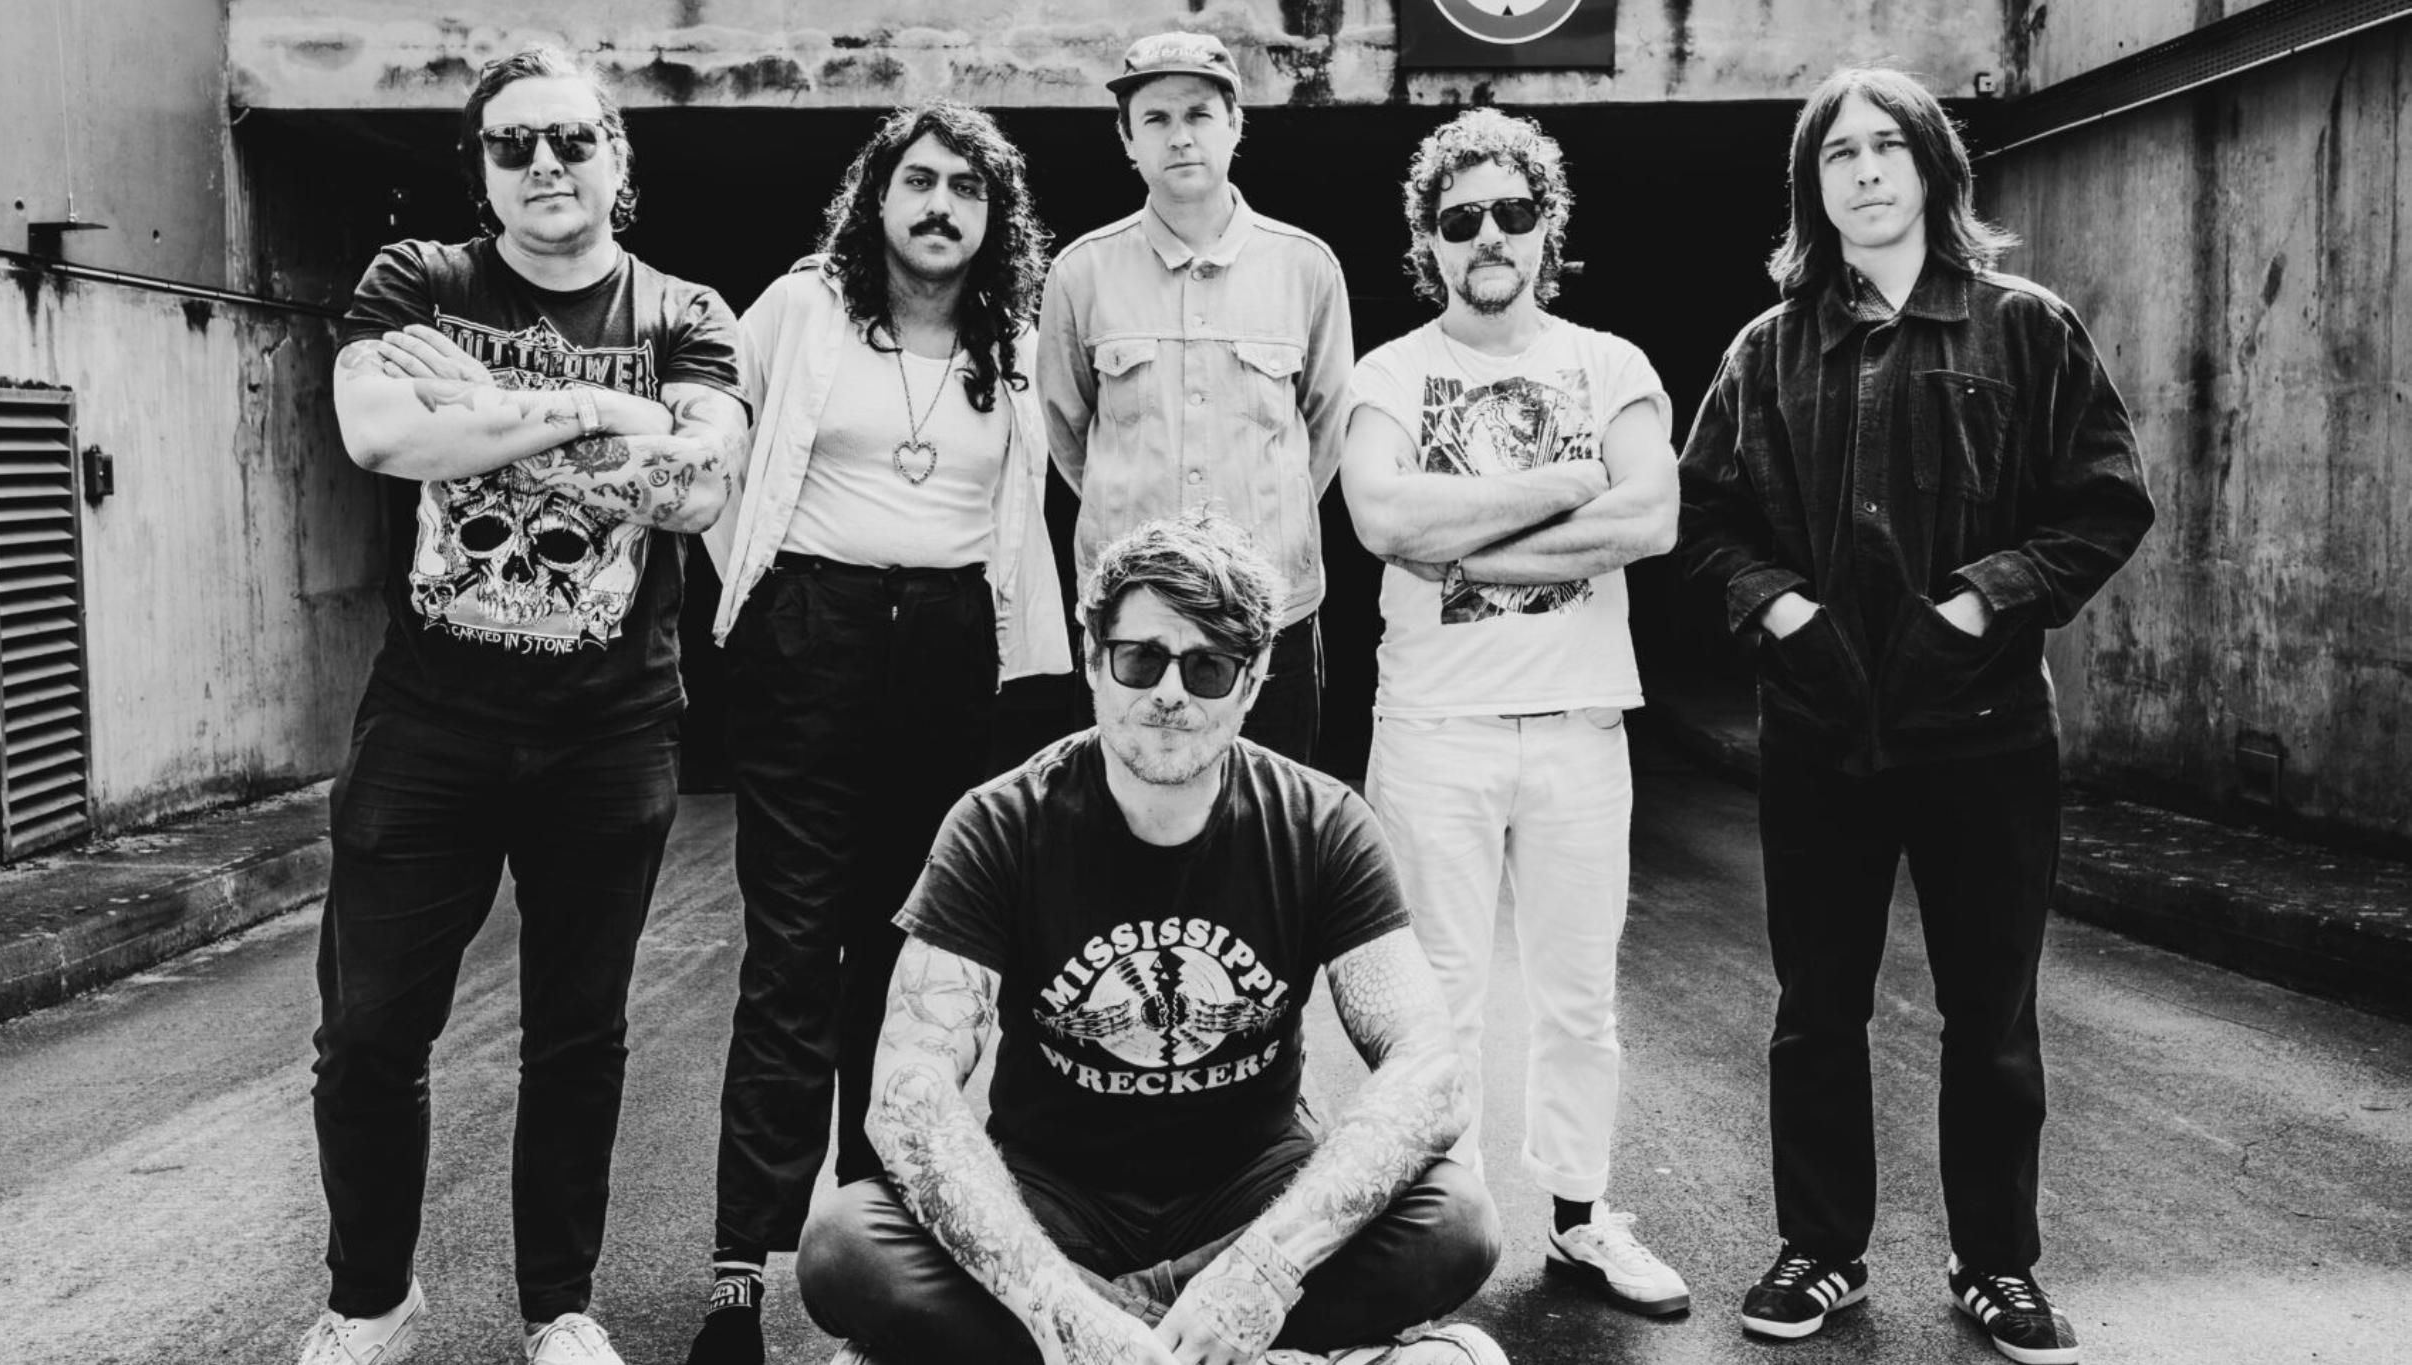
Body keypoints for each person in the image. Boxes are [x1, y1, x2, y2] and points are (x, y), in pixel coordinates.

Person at [1676, 66, 2154, 1364]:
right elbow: (1701, 518)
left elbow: (2101, 503)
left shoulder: (2024, 329)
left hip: (1984, 734)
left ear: (1933, 168)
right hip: (1818, 735)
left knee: (1988, 1017)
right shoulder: (1765, 351)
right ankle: (1819, 1251)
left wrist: (1981, 601)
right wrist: (1780, 610)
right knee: (1814, 1010)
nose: (1866, 171)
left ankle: (1994, 1263)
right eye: (1838, 155)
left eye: (1887, 147)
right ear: (1811, 189)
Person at [793, 511, 1508, 1365]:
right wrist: (1063, 1309)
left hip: (1251, 1190)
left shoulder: (1322, 824)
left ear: (1251, 683)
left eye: (1208, 667)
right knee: (843, 1244)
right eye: (1141, 659)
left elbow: (1429, 1069)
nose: (1171, 692)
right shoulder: (999, 824)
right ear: (1095, 660)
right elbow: (908, 1093)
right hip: (1052, 1196)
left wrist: (1262, 1271)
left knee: (1457, 1220)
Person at [303, 44, 750, 1365]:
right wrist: (599, 414)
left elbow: (698, 491)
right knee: (368, 1033)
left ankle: (561, 1309)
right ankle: (370, 1301)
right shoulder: (418, 280)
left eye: (570, 139)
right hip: (430, 721)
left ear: (617, 156)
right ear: (482, 168)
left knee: (576, 1036)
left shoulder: (685, 312)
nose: (544, 164)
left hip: (611, 727)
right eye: (513, 144)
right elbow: (381, 437)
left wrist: (487, 409)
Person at [685, 101, 1071, 1365]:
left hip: (952, 651)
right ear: (878, 196)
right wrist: (759, 587)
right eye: (920, 179)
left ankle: (867, 1250)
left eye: (968, 187)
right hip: (811, 634)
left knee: (907, 960)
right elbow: (714, 454)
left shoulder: (1011, 341)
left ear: (993, 218)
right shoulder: (800, 309)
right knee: (794, 952)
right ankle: (739, 1271)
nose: (941, 204)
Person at [1338, 108, 1689, 1320]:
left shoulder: (1610, 363)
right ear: (1426, 243)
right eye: (1459, 218)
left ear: (1548, 227)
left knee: (1576, 996)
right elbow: (1383, 519)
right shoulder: (1388, 373)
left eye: (1512, 211)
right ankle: (1439, 1237)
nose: (1487, 234)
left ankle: (1582, 1220)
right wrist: (1567, 484)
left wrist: (1467, 545)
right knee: (1433, 998)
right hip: (1434, 725)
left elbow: (1650, 519)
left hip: (1579, 721)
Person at [1037, 31, 1354, 766]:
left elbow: (1325, 429)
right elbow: (1067, 432)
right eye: (1155, 119)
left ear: (1235, 125)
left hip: (1269, 615)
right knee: (1127, 802)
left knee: (1271, 811)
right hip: (1129, 623)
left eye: (1199, 115)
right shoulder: (1081, 273)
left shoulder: (1305, 267)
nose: (1179, 136)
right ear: (1127, 139)